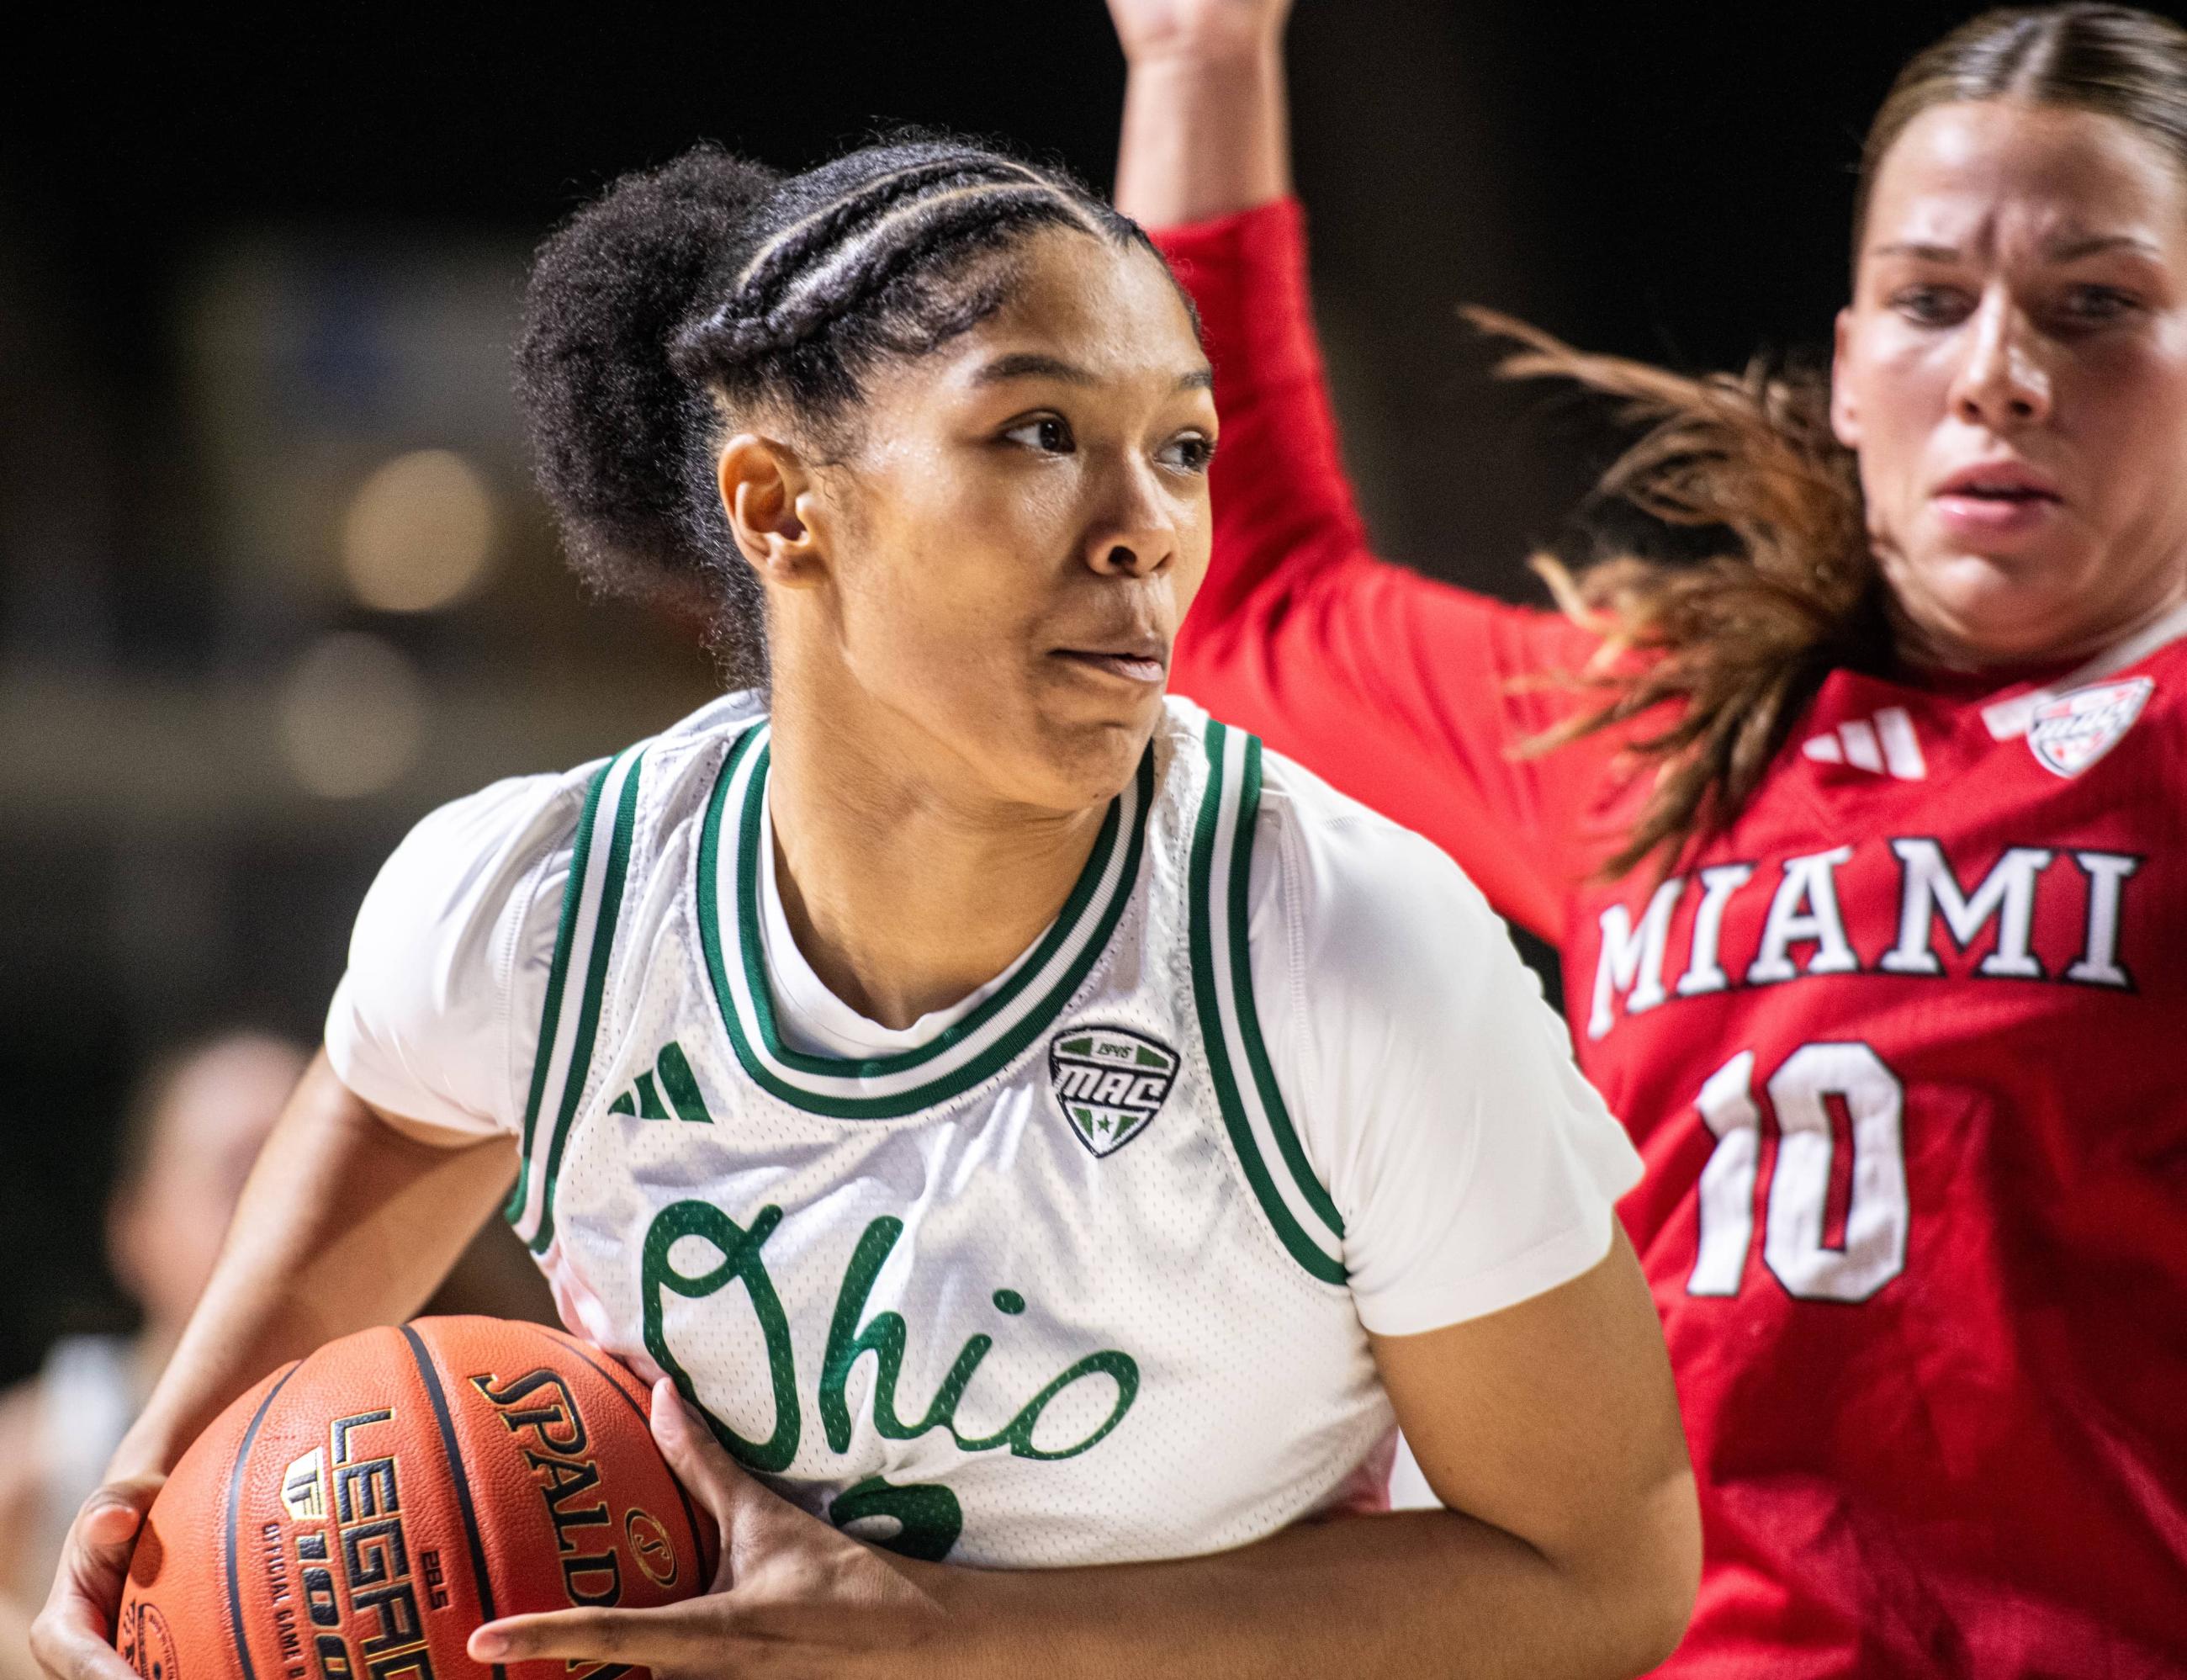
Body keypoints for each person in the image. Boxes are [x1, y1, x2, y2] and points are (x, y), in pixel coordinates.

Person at [35, 136, 1699, 1680]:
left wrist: (964, 1634)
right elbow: (248, 1382)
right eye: (1038, 431)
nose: (1145, 527)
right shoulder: (540, 912)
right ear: (777, 504)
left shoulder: (1345, 947)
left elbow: (1599, 1568)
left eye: (1181, 445)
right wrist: (144, 1543)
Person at [1108, 1, 2187, 1672]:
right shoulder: (1666, 725)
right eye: (1927, 300)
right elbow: (1237, 594)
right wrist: (1200, 59)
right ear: (1845, 369)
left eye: (2094, 304)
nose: (1994, 371)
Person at [0, 1035, 307, 1680]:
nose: (287, 1213)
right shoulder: (46, 1446)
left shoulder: (407, 1414)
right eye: (243, 1174)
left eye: (304, 1170)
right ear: (135, 1229)